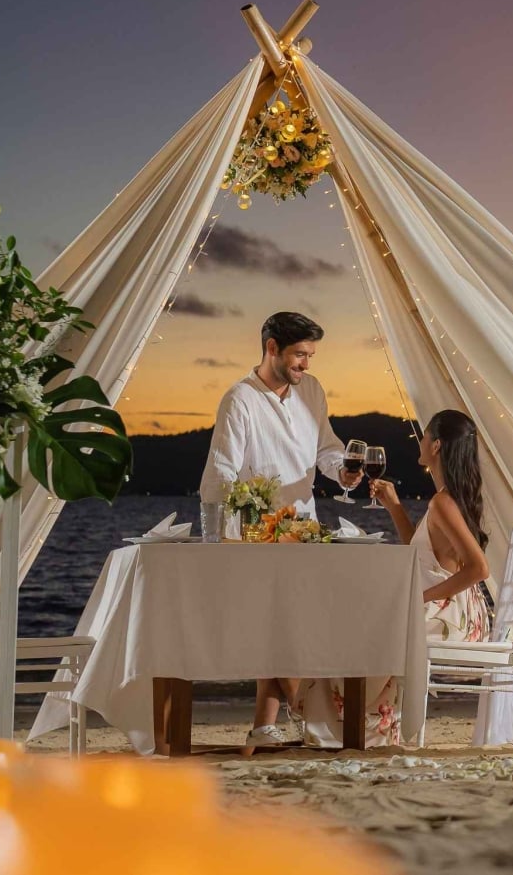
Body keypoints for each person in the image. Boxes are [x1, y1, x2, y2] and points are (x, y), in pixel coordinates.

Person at [197, 311, 361, 748]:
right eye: (300, 354)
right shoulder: (240, 400)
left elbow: (326, 448)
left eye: (310, 355)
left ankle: (266, 726)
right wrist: (227, 531)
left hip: (305, 527)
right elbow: (222, 471)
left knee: (291, 627)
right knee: (282, 628)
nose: (306, 364)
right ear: (272, 348)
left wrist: (340, 471)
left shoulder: (313, 391)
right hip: (259, 534)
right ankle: (312, 717)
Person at [296, 409, 492, 747]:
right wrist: (394, 507)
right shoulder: (445, 500)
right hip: (453, 610)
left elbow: (479, 569)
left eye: (426, 435)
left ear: (437, 446)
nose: (422, 440)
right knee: (364, 615)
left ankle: (351, 725)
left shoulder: (444, 503)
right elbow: (421, 555)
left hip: (450, 615)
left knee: (364, 622)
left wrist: (422, 599)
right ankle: (357, 725)